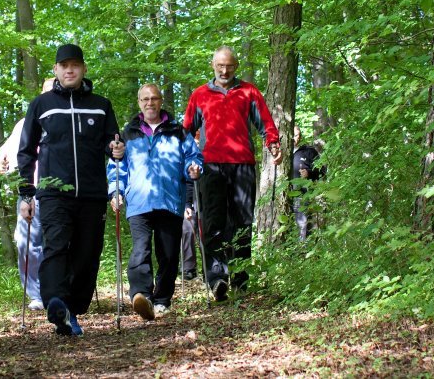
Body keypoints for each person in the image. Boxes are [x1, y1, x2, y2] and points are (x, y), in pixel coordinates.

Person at [17, 44, 124, 336]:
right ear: (55, 70)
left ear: (83, 69)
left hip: (92, 192)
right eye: (64, 65)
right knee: (56, 246)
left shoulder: (101, 104)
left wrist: (116, 148)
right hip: (53, 192)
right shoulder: (42, 104)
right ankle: (55, 302)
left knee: (88, 253)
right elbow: (26, 150)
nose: (69, 70)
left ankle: (71, 311)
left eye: (75, 65)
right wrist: (26, 193)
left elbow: (111, 142)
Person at [183, 46, 280, 301]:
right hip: (210, 166)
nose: (224, 71)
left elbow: (265, 123)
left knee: (242, 222)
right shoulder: (199, 95)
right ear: (212, 65)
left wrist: (273, 143)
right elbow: (185, 132)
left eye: (229, 66)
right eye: (220, 66)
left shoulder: (249, 92)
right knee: (212, 222)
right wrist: (186, 161)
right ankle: (216, 280)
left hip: (242, 165)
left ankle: (239, 278)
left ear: (236, 66)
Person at [108, 83, 202, 320]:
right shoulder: (127, 133)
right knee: (140, 250)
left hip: (170, 200)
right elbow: (117, 167)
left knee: (168, 254)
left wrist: (194, 167)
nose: (150, 103)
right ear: (139, 102)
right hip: (138, 201)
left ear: (161, 101)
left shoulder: (178, 131)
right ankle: (141, 295)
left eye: (154, 98)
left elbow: (193, 156)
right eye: (145, 99)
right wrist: (116, 191)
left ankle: (162, 299)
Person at [0, 78, 55, 311]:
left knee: (62, 242)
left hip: (62, 192)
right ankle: (36, 293)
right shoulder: (25, 122)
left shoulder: (70, 119)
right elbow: (7, 152)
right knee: (27, 242)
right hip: (31, 191)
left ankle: (62, 289)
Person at [290, 125, 325, 241]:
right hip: (284, 196)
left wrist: (309, 173)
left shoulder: (308, 151)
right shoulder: (281, 151)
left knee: (303, 227)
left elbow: (322, 170)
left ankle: (303, 253)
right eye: (292, 135)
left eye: (296, 135)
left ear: (300, 136)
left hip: (302, 196)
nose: (294, 138)